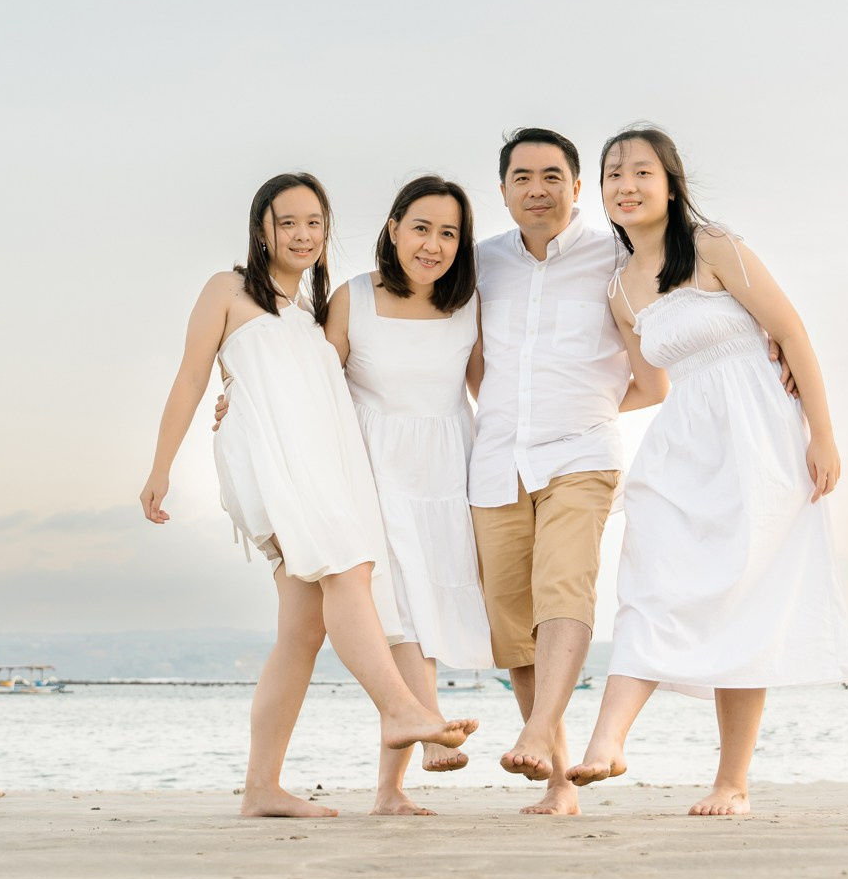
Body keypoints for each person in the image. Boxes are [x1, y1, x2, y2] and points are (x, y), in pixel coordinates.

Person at [139, 172, 477, 819]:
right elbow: (190, 376)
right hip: (275, 469)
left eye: (313, 222)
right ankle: (402, 709)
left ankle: (260, 787)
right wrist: (162, 466)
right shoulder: (229, 289)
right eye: (286, 221)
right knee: (349, 570)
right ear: (260, 228)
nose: (301, 234)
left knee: (301, 630)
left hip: (321, 468)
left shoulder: (307, 317)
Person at [568, 126, 848, 816]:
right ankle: (607, 739)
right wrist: (568, 415)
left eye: (641, 171)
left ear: (671, 183)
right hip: (680, 448)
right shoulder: (618, 288)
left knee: (744, 599)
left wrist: (823, 434)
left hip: (759, 439)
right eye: (613, 174)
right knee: (648, 578)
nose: (626, 185)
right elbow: (649, 385)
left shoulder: (715, 246)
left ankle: (732, 782)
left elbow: (790, 334)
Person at [470, 127, 667, 815]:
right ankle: (557, 780)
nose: (537, 189)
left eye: (552, 176)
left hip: (581, 451)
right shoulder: (481, 263)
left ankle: (533, 731)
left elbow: (656, 380)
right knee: (512, 618)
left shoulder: (615, 254)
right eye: (522, 177)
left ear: (577, 187)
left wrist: (590, 406)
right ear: (502, 191)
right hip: (495, 458)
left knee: (564, 583)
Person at [325, 175, 494, 815]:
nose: (433, 244)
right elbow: (315, 382)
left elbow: (490, 392)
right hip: (372, 468)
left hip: (448, 473)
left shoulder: (468, 305)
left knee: (425, 608)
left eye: (448, 233)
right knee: (398, 608)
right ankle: (422, 734)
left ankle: (393, 784)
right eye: (420, 227)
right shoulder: (352, 298)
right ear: (393, 228)